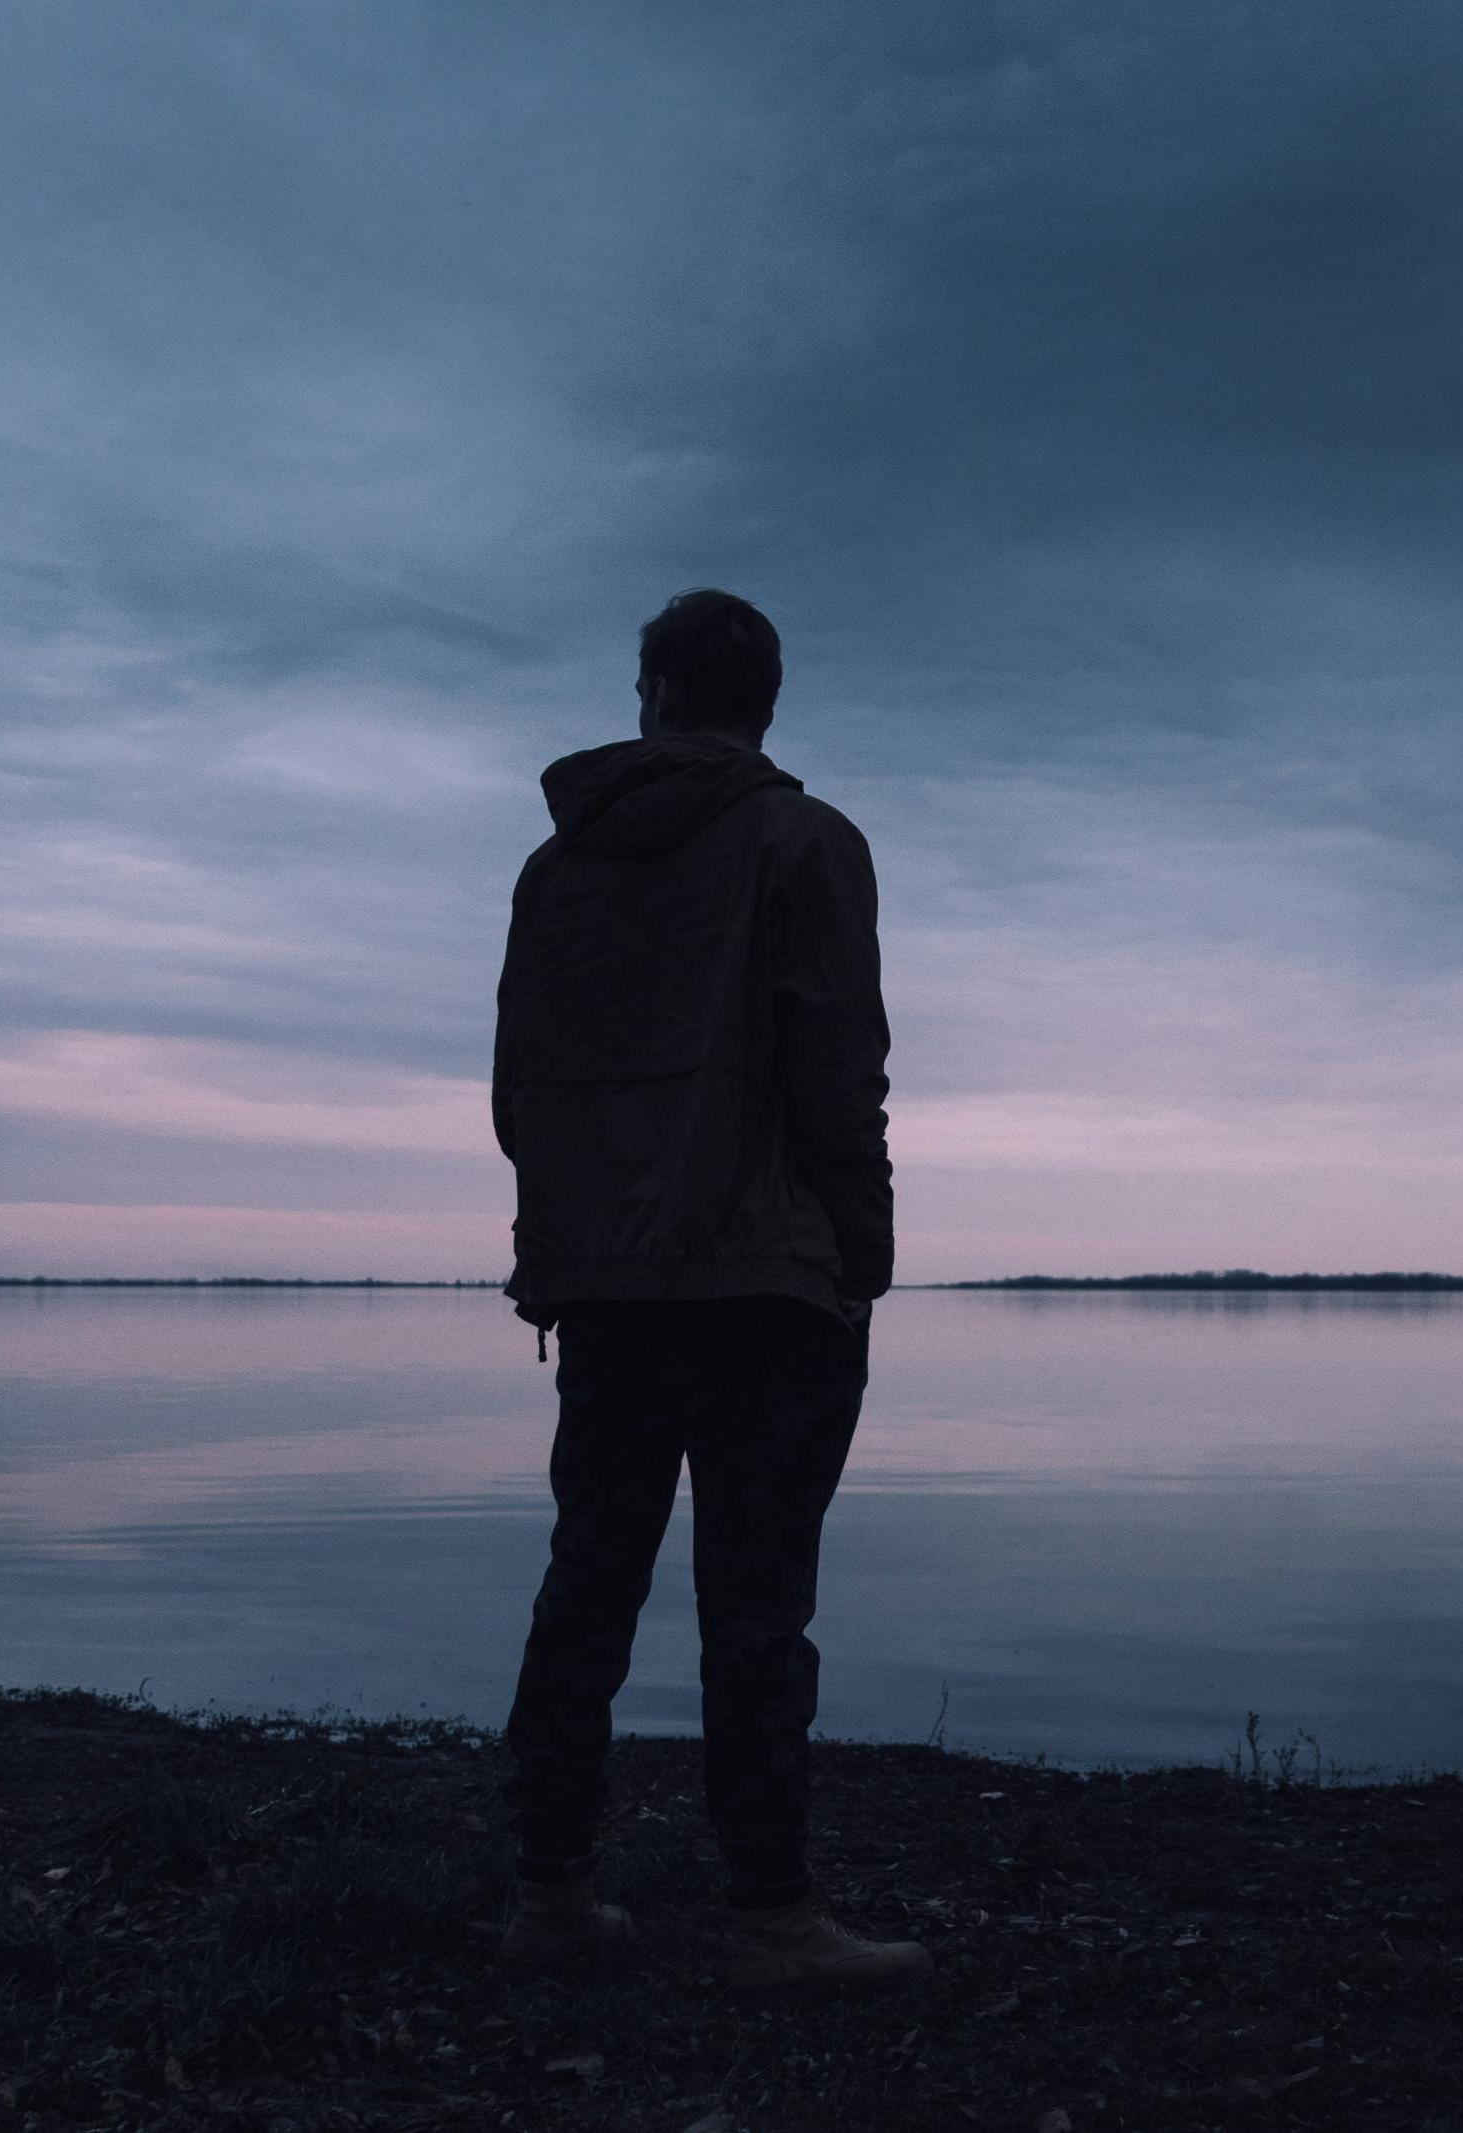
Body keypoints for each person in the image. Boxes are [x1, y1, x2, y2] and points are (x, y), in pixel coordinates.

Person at [489, 588, 928, 1997]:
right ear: (765, 702)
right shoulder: (807, 842)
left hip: (609, 1288)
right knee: (755, 1606)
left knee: (587, 1582)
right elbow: (836, 1074)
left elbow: (521, 1095)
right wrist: (864, 1253)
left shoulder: (556, 874)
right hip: (765, 1290)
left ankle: (547, 1889)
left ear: (655, 695)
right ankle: (771, 1915)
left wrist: (566, 1247)